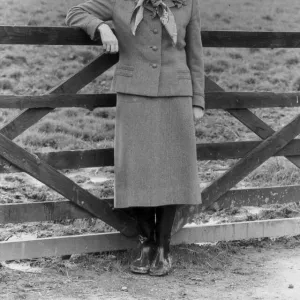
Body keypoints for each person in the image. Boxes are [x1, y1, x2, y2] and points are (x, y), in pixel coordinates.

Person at [65, 0, 205, 276]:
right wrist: (102, 27)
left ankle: (164, 248)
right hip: (133, 94)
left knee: (172, 171)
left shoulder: (188, 3)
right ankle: (146, 245)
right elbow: (75, 12)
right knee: (137, 170)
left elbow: (196, 53)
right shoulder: (120, 1)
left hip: (176, 93)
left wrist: (198, 99)